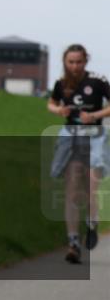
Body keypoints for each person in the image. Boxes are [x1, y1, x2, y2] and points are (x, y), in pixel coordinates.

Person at [47, 43, 110, 264]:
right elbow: (51, 103)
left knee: (92, 186)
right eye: (70, 62)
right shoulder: (61, 83)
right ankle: (73, 242)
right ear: (65, 62)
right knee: (72, 189)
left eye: (79, 62)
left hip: (95, 137)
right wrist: (59, 110)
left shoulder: (98, 81)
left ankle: (92, 223)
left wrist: (95, 116)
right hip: (72, 138)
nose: (75, 66)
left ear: (86, 61)